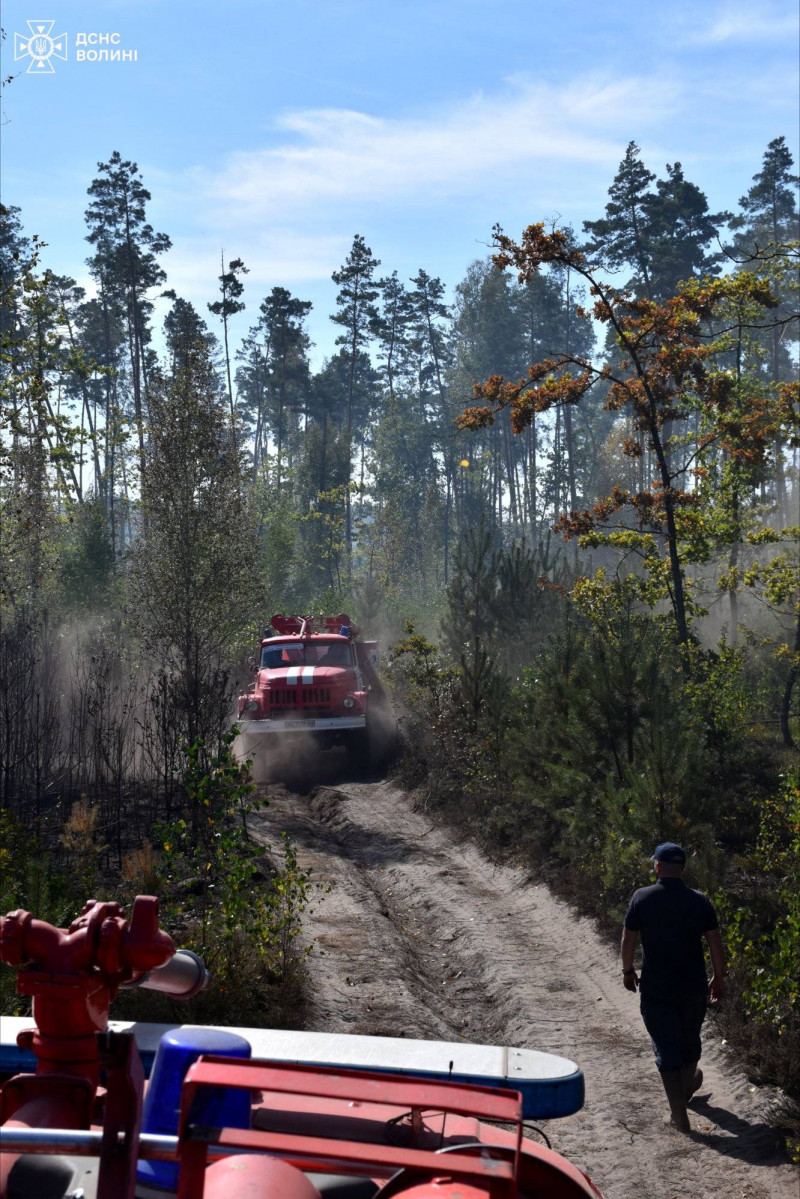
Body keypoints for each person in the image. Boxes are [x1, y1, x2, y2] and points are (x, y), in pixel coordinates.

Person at [620, 842, 725, 1133]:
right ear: (682, 869)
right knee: (690, 1038)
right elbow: (714, 941)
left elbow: (629, 939)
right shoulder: (699, 900)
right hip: (692, 985)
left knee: (666, 1045)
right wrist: (719, 977)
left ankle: (679, 1116)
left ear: (657, 867)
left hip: (658, 986)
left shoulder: (642, 897)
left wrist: (628, 971)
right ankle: (687, 1085)